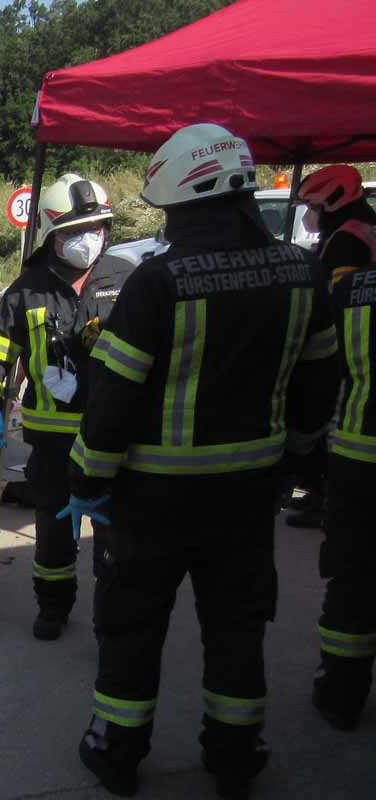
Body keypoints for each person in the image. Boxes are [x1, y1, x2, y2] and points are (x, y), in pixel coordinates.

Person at [64, 124, 339, 798]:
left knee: (132, 626)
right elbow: (318, 385)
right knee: (238, 629)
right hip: (249, 496)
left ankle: (117, 752)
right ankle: (236, 757)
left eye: (171, 212)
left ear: (188, 199)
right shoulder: (302, 272)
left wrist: (89, 480)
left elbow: (113, 399)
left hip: (153, 500)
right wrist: (300, 460)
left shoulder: (160, 281)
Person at [0, 173, 135, 641]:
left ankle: (112, 617)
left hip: (112, 440)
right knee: (54, 538)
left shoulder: (125, 279)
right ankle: (53, 607)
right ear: (52, 234)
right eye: (76, 231)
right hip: (53, 444)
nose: (90, 239)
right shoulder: (26, 290)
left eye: (98, 227)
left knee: (111, 541)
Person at [297, 164, 376, 731]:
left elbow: (321, 352)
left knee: (352, 577)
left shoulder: (346, 273)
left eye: (314, 208)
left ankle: (341, 693)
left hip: (358, 449)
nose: (308, 218)